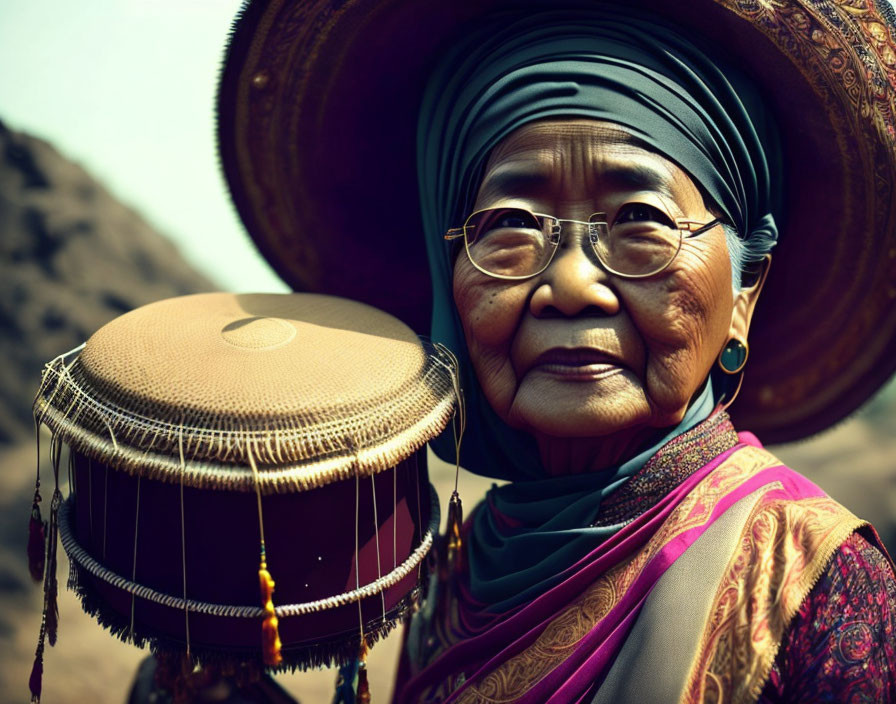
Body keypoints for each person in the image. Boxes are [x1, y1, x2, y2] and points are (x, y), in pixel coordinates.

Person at [217, 0, 896, 701]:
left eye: (641, 220)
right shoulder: (462, 567)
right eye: (510, 225)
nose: (570, 284)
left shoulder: (818, 582)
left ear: (745, 289)